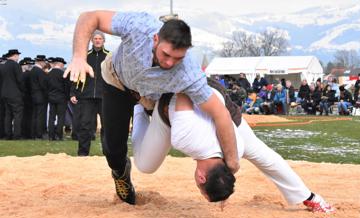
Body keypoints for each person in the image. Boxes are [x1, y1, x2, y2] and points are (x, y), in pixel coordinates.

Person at [64, 11, 239, 204]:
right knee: (112, 149)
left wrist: (231, 163)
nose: (170, 62)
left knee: (160, 128)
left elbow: (220, 113)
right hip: (117, 81)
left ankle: (141, 120)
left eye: (177, 58)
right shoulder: (139, 25)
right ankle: (121, 174)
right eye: (166, 54)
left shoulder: (189, 72)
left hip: (152, 97)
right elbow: (90, 17)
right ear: (156, 39)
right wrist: (79, 56)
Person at [130, 83, 334, 213]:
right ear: (201, 178)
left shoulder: (235, 154)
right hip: (184, 97)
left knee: (264, 155)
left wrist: (223, 189)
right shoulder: (184, 138)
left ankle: (310, 197)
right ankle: (139, 107)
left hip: (217, 106)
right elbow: (183, 88)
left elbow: (223, 121)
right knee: (145, 164)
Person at [70, 31, 109, 155]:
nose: (97, 40)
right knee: (85, 125)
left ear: (103, 41)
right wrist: (73, 92)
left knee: (107, 126)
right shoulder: (84, 56)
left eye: (100, 39)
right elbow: (76, 73)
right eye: (95, 38)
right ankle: (83, 153)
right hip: (86, 96)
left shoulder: (110, 56)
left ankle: (108, 153)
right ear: (92, 40)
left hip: (104, 96)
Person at [0, 49, 24, 139]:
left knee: (8, 115)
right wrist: (22, 91)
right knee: (17, 115)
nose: (18, 57)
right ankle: (17, 135)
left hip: (4, 93)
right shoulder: (15, 65)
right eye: (18, 55)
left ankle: (8, 134)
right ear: (15, 56)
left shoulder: (3, 66)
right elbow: (20, 80)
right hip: (15, 94)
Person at [46, 58, 70, 140]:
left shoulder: (48, 74)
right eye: (63, 64)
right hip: (61, 98)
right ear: (60, 64)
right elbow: (67, 87)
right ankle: (59, 135)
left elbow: (46, 87)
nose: (63, 65)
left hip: (51, 97)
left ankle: (50, 135)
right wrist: (67, 97)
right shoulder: (63, 74)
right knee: (61, 117)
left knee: (51, 117)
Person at [30, 55, 48, 139]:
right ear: (41, 62)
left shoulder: (32, 70)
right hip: (40, 96)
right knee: (40, 116)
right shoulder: (40, 72)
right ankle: (39, 133)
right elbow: (43, 85)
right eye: (44, 62)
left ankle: (33, 133)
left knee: (34, 115)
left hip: (33, 96)